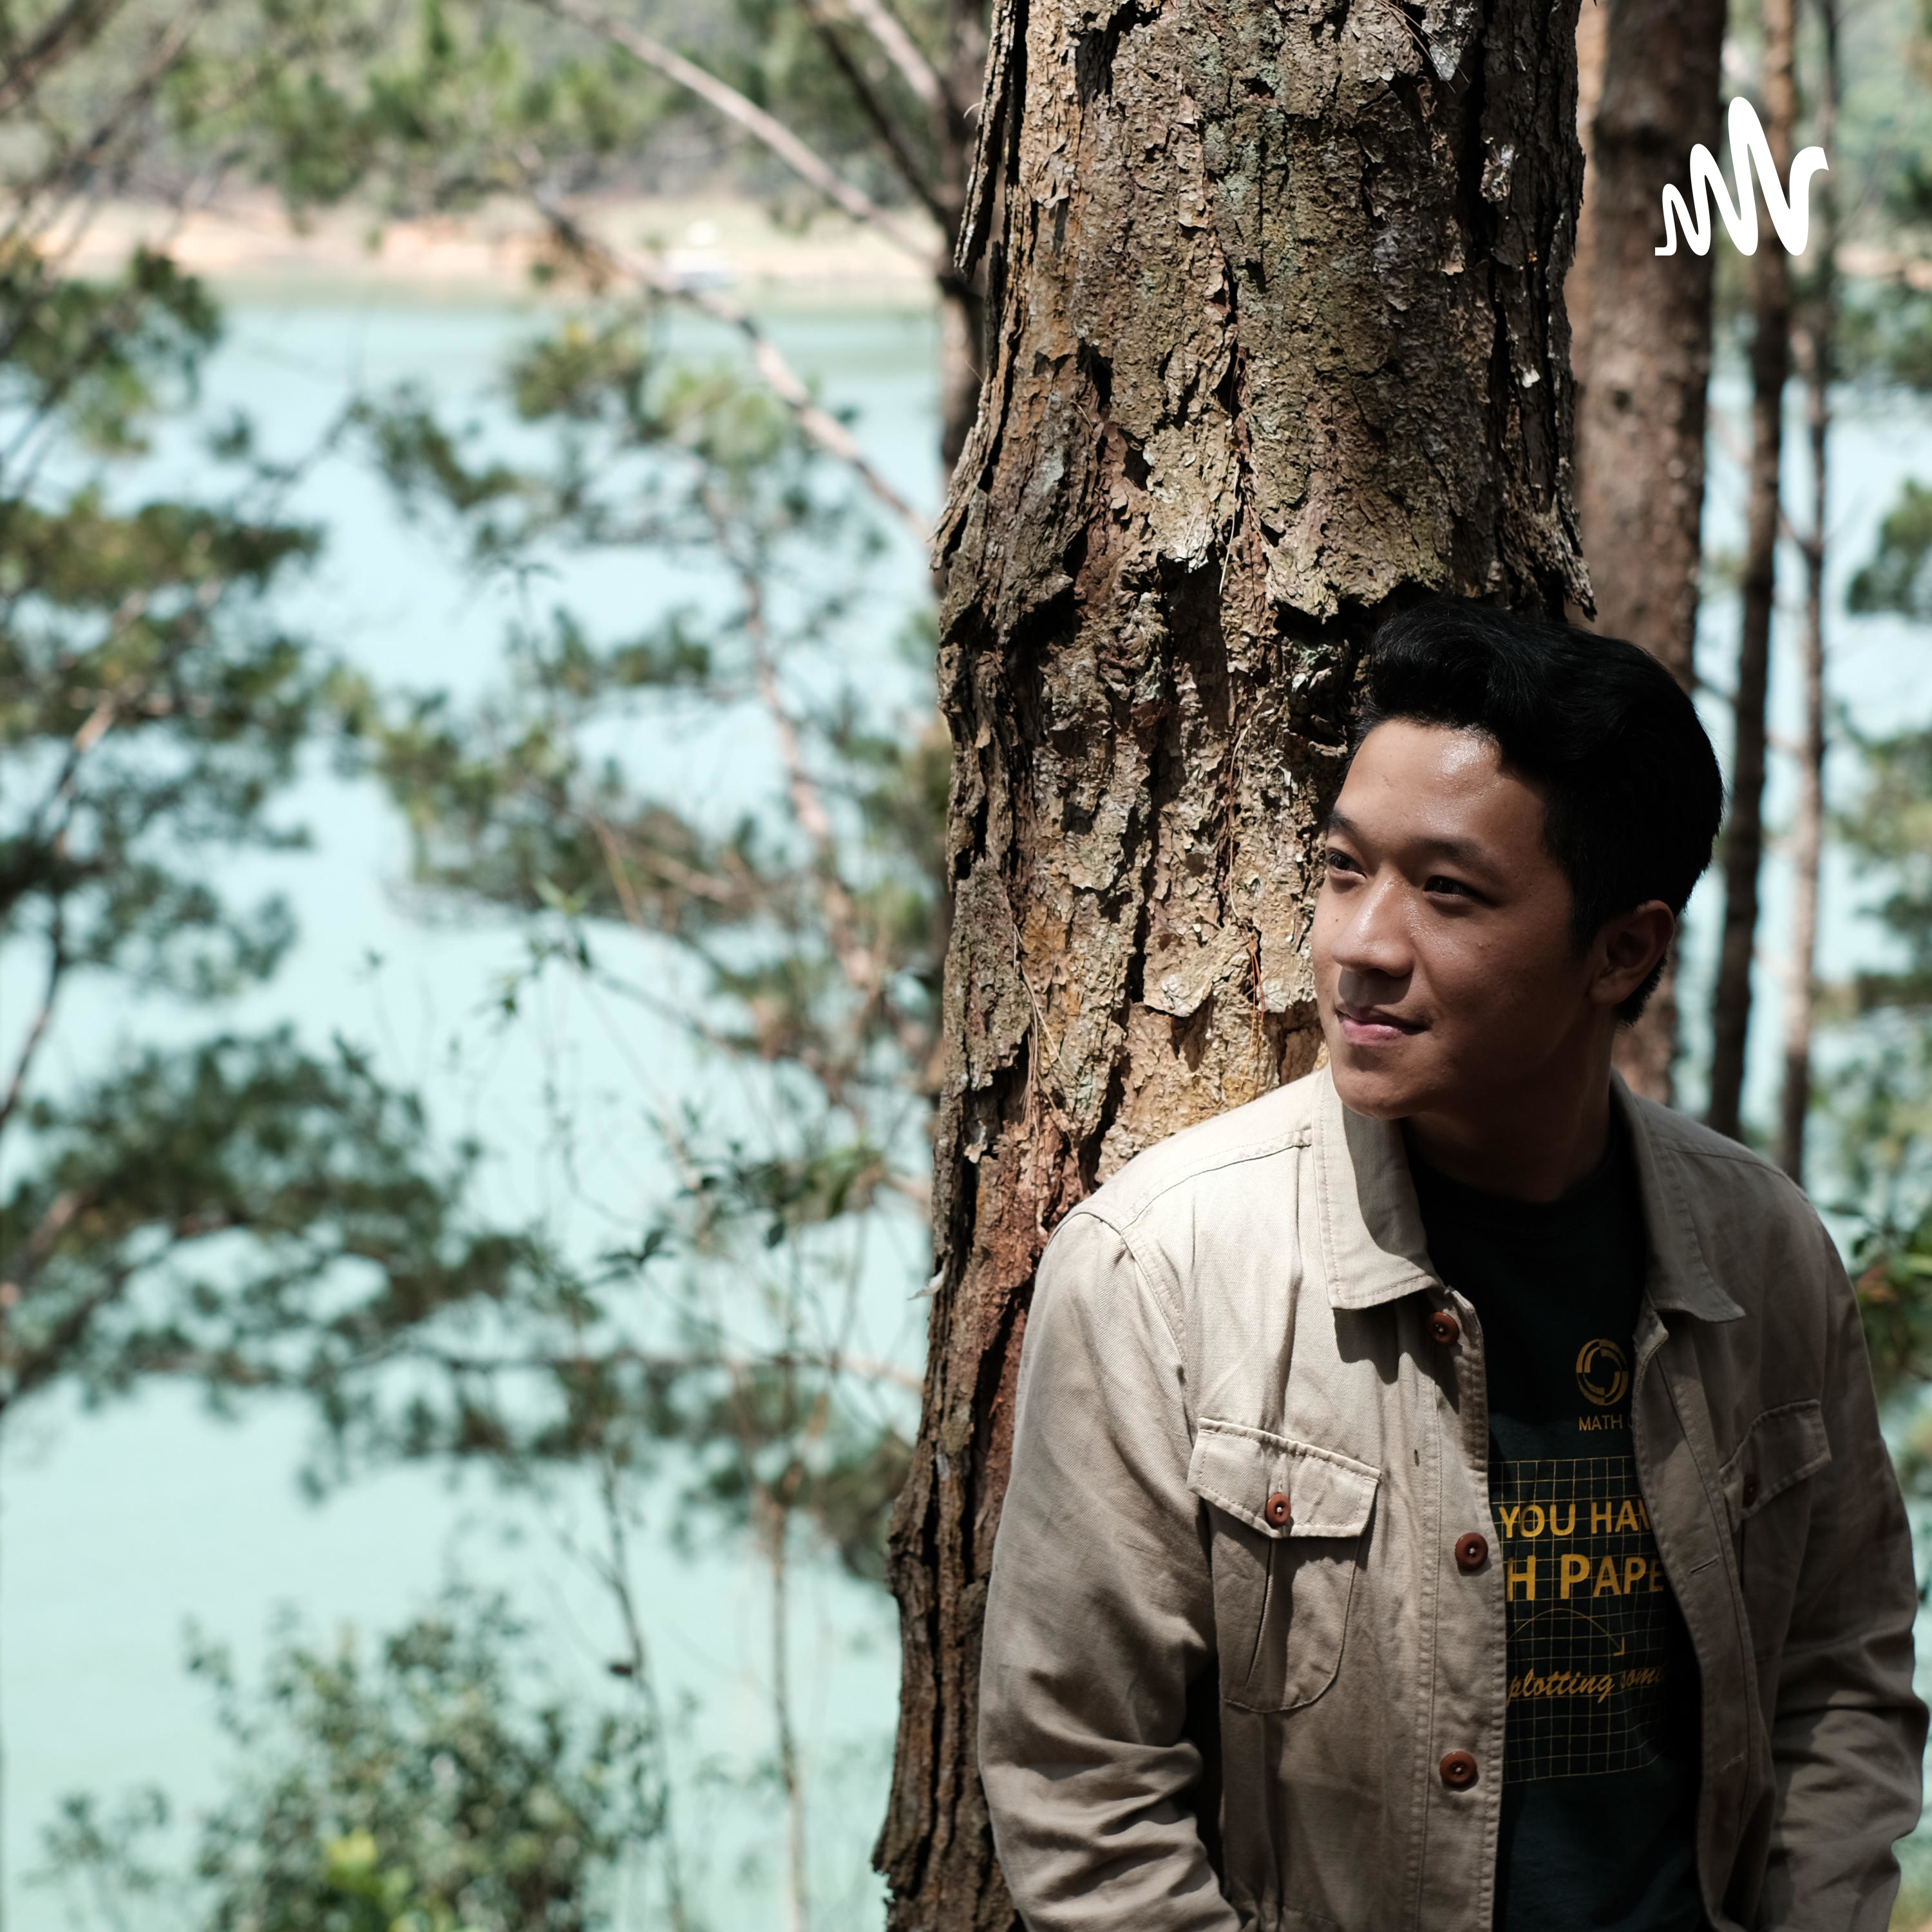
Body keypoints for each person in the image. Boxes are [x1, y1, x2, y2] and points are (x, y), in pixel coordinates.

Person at [977, 599, 1925, 1932]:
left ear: (1623, 951)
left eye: (1447, 891)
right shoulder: (1165, 1269)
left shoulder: (1762, 1253)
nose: (1362, 944)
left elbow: (1841, 1674)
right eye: (1343, 869)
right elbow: (1084, 1790)